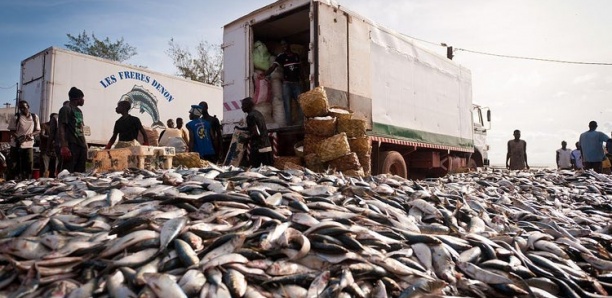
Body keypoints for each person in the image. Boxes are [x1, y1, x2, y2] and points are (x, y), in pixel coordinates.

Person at [265, 39, 304, 125]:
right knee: (287, 105)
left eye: (285, 44)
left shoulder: (296, 56)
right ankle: (289, 125)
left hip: (297, 84)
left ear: (289, 44)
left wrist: (303, 82)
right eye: (282, 45)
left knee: (301, 104)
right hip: (287, 85)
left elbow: (301, 70)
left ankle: (301, 123)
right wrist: (264, 74)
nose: (284, 46)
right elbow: (273, 67)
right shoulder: (281, 57)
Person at [7, 100, 40, 180]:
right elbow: (11, 130)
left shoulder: (34, 117)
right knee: (14, 166)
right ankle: (13, 182)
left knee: (29, 165)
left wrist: (31, 135)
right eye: (20, 108)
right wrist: (18, 137)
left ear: (28, 107)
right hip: (16, 145)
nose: (22, 109)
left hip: (29, 145)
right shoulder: (16, 117)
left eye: (24, 107)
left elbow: (38, 130)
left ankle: (26, 181)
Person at [58, 87, 88, 173]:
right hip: (71, 145)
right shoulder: (65, 109)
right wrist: (64, 146)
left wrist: (85, 145)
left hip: (81, 145)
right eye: (82, 98)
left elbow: (81, 128)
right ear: (77, 98)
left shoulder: (79, 110)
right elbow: (61, 127)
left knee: (80, 173)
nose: (83, 100)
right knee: (68, 172)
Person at [238, 97, 273, 167]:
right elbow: (256, 128)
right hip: (266, 146)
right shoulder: (258, 113)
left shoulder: (250, 116)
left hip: (258, 148)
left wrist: (245, 139)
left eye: (243, 105)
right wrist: (240, 129)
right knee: (268, 171)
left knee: (254, 170)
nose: (241, 107)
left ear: (248, 105)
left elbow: (256, 133)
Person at [39, 113, 57, 178]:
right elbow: (42, 135)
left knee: (53, 170)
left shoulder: (57, 127)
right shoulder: (44, 125)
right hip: (45, 150)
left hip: (54, 151)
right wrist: (51, 138)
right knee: (44, 169)